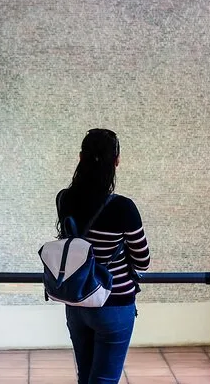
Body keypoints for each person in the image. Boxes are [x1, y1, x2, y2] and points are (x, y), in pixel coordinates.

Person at [56, 128, 151, 384]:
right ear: (116, 161)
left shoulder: (65, 199)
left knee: (85, 376)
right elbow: (143, 261)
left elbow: (69, 243)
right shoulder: (123, 207)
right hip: (114, 301)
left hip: (76, 299)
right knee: (105, 380)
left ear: (80, 157)